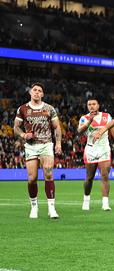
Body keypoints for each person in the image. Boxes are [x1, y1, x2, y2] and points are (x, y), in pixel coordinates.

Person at [13, 82, 62, 219]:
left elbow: (57, 127)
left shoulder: (49, 108)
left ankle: (51, 208)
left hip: (46, 144)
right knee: (32, 178)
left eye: (39, 90)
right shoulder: (22, 109)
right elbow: (16, 127)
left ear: (42, 94)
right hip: (31, 146)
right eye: (34, 90)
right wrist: (23, 135)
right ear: (30, 92)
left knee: (48, 173)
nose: (37, 92)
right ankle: (34, 206)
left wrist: (58, 143)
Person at [77, 99, 114, 211]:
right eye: (89, 105)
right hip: (90, 150)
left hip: (104, 149)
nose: (91, 106)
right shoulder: (84, 118)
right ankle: (86, 200)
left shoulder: (106, 116)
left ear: (98, 105)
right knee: (89, 178)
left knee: (105, 175)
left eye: (94, 104)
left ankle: (105, 203)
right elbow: (80, 131)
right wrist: (88, 122)